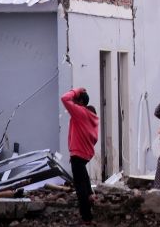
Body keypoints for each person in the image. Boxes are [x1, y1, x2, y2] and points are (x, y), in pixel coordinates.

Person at [61, 88, 99, 225]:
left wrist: (76, 91)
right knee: (84, 178)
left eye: (76, 100)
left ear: (81, 101)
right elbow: (95, 139)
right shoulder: (91, 117)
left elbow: (64, 98)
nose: (73, 103)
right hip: (84, 153)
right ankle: (90, 195)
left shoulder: (80, 112)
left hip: (78, 153)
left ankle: (86, 218)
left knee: (79, 187)